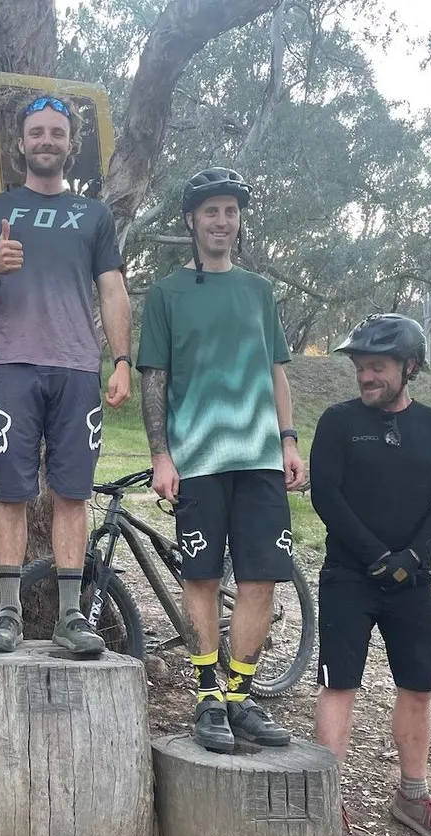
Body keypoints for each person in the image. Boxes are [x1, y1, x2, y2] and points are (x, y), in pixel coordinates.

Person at [136, 167, 304, 753]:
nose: (222, 221)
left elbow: (276, 370)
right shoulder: (166, 293)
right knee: (202, 575)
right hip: (199, 460)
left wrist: (288, 439)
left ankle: (240, 695)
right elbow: (153, 379)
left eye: (230, 211)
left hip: (259, 459)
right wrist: (161, 454)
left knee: (262, 579)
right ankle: (207, 695)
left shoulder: (258, 290)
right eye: (211, 211)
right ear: (191, 220)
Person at [0, 95, 133, 656]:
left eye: (56, 133)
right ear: (20, 142)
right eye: (36, 133)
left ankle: (70, 615)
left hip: (78, 369)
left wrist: (122, 360)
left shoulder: (94, 215)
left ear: (70, 144)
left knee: (73, 492)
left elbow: (111, 289)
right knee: (10, 492)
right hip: (12, 365)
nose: (46, 141)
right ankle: (7, 613)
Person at [309, 313, 431, 836]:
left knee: (419, 686)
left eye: (377, 367)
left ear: (410, 366)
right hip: (348, 577)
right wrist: (376, 556)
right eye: (361, 367)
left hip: (414, 581)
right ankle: (329, 804)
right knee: (339, 684)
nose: (366, 376)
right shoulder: (337, 421)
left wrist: (413, 557)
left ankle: (412, 796)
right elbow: (326, 496)